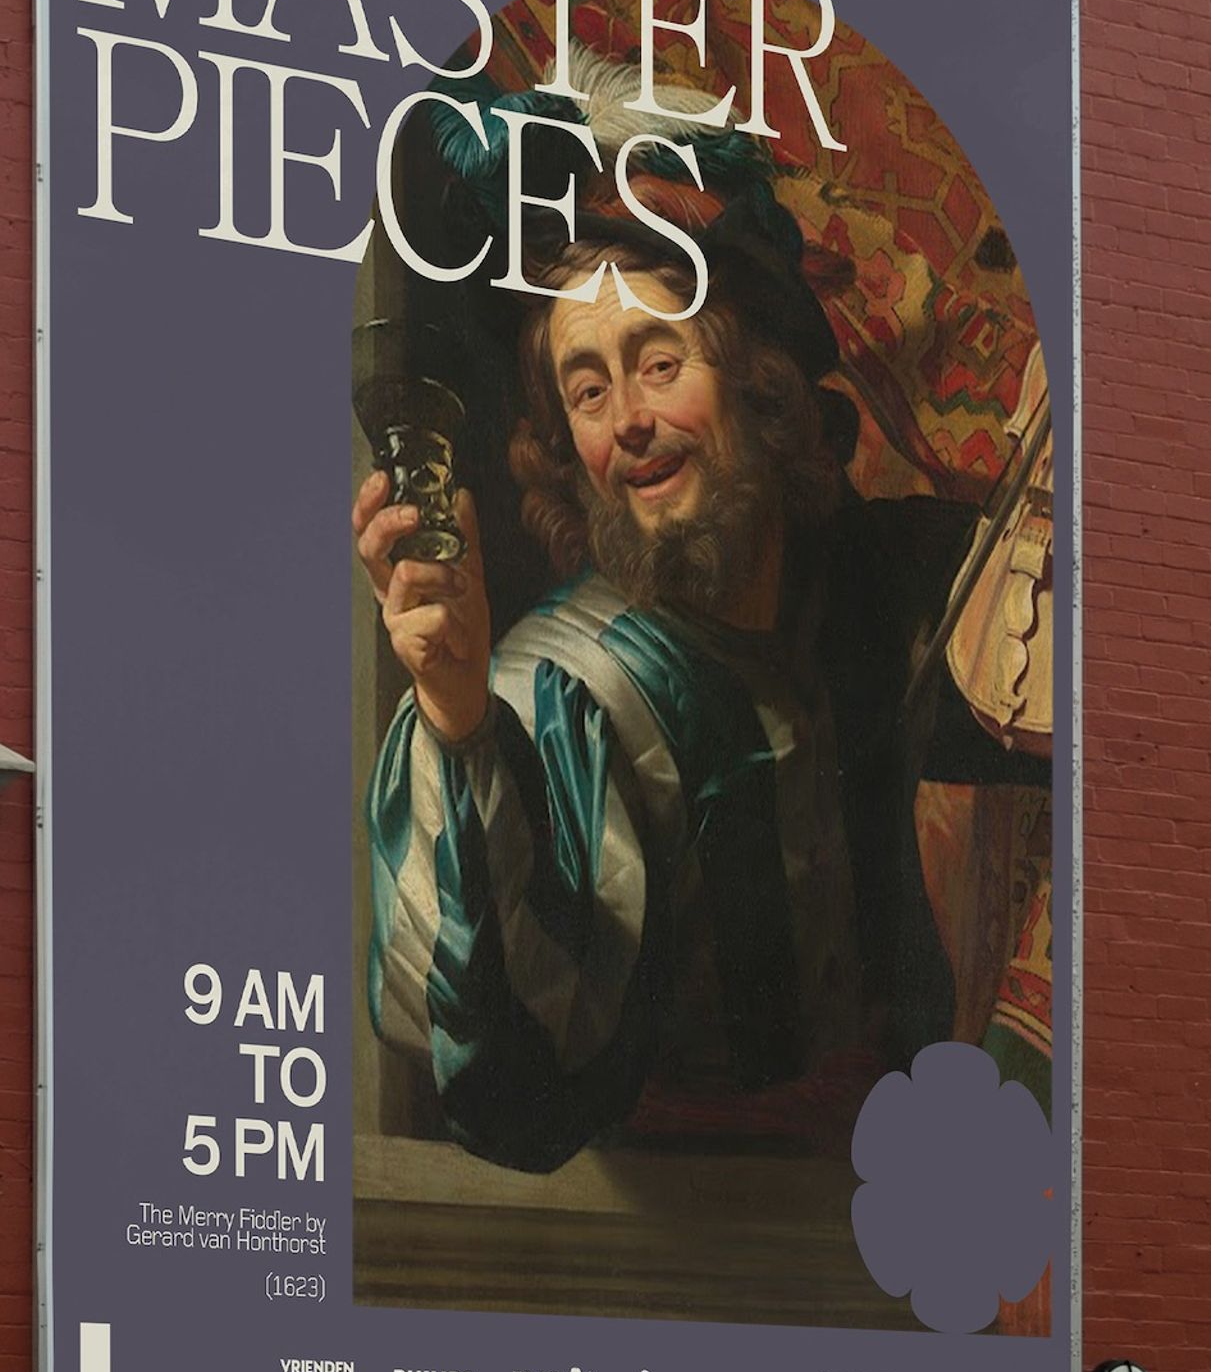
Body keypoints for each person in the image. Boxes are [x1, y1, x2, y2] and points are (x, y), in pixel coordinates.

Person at [356, 228, 1030, 1175]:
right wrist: (459, 721)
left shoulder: (865, 582)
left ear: (759, 383)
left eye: (660, 363)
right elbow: (511, 1092)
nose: (628, 418)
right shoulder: (560, 691)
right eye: (589, 392)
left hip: (909, 1182)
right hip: (695, 1241)